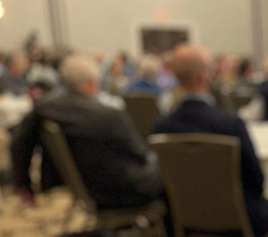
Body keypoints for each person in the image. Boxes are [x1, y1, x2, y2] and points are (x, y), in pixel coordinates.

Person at [153, 44, 268, 237]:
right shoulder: (230, 124)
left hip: (186, 220)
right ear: (204, 76)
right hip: (241, 221)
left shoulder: (162, 126)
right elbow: (257, 180)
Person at [11, 55, 167, 211]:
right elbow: (139, 153)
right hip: (116, 190)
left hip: (79, 185)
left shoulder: (43, 108)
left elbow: (18, 143)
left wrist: (23, 184)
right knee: (172, 173)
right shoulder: (109, 115)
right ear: (93, 82)